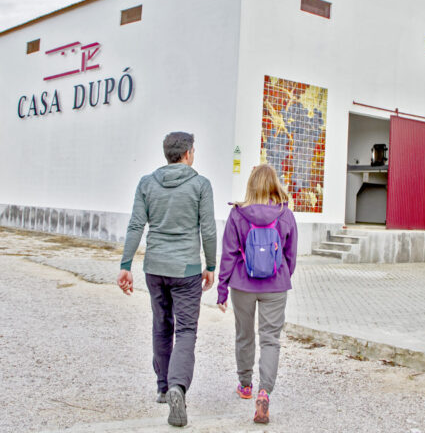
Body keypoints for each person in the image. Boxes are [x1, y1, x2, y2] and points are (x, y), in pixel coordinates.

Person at [117, 131, 216, 428]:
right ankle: (177, 387)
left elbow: (136, 224)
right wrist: (211, 265)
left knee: (161, 325)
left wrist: (125, 265)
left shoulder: (147, 183)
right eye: (193, 151)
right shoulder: (200, 185)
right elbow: (208, 229)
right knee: (185, 330)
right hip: (186, 270)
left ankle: (162, 387)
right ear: (187, 154)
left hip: (155, 267)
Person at [216, 164, 297, 424]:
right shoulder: (285, 214)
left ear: (250, 184)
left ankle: (245, 385)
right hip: (276, 284)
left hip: (243, 284)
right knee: (270, 339)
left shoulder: (237, 213)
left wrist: (222, 289)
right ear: (275, 184)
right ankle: (265, 392)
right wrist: (282, 275)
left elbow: (229, 254)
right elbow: (291, 255)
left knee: (244, 334)